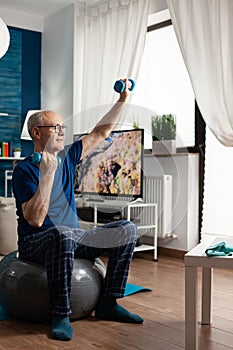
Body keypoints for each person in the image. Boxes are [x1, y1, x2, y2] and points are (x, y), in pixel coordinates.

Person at [12, 79, 143, 342]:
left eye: (63, 127)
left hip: (73, 237)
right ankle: (60, 313)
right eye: (55, 127)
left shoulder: (68, 157)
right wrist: (47, 175)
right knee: (62, 234)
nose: (62, 131)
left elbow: (101, 133)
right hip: (36, 243)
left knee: (126, 229)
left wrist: (122, 100)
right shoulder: (24, 170)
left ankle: (108, 302)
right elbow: (35, 220)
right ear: (37, 133)